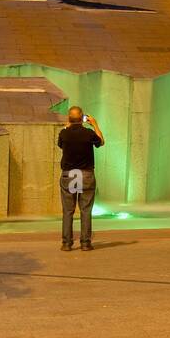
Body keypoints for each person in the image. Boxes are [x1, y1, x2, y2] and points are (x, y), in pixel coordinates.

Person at [57, 106, 104, 250]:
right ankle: (85, 243)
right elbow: (101, 142)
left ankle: (66, 243)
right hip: (85, 175)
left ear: (69, 118)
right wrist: (95, 124)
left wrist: (68, 126)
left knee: (68, 211)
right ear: (83, 118)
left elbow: (60, 144)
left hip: (70, 175)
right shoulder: (89, 133)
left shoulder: (64, 134)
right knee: (85, 210)